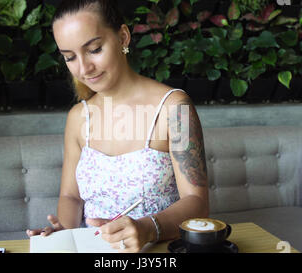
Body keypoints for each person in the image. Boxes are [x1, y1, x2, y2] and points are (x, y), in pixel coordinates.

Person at [26, 0, 209, 253]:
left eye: (94, 49)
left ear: (123, 37)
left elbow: (197, 203)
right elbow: (71, 197)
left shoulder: (174, 108)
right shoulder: (79, 117)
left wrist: (147, 228)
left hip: (157, 250)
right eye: (69, 57)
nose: (83, 68)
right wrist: (63, 234)